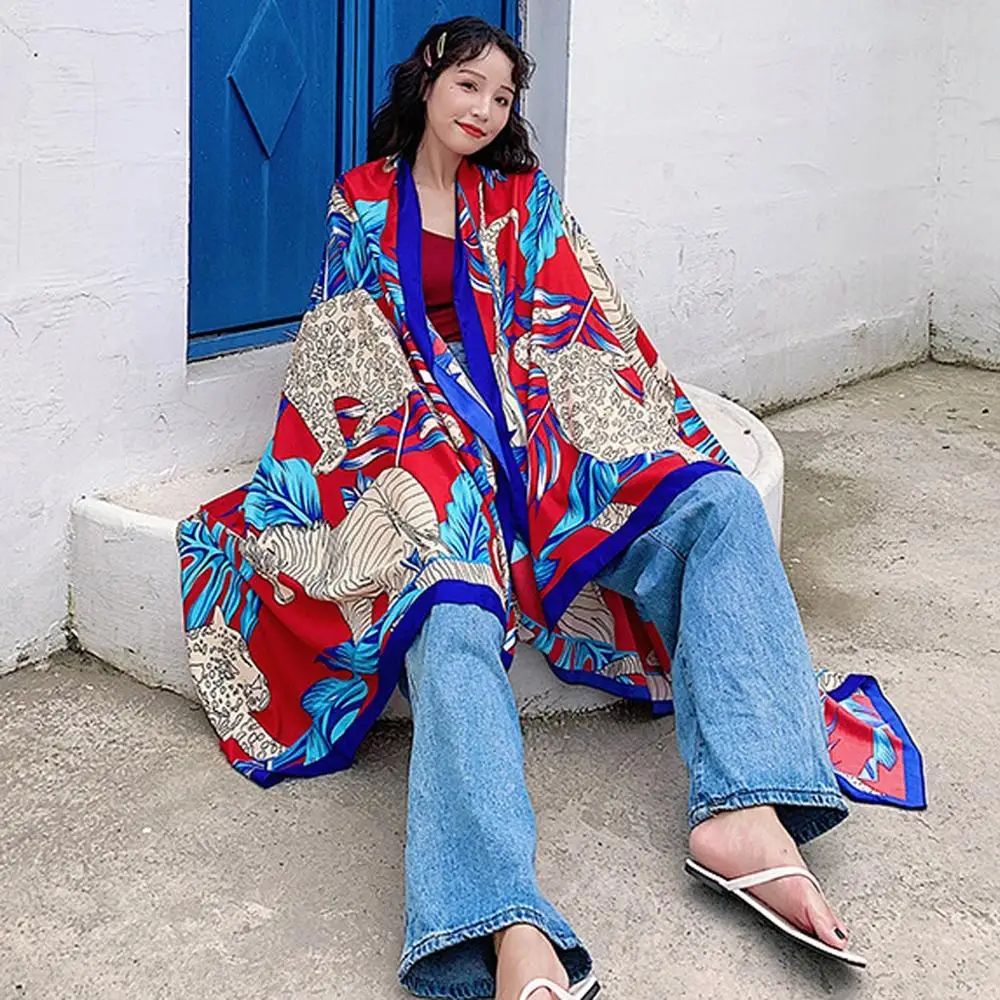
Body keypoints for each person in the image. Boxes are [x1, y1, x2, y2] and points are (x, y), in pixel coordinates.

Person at [177, 17, 925, 1000]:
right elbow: (344, 356)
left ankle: (743, 811)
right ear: (427, 82)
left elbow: (581, 327)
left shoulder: (524, 200)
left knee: (715, 501)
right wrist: (442, 448)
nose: (485, 109)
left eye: (502, 96)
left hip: (543, 438)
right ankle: (499, 919)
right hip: (418, 446)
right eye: (469, 85)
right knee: (449, 608)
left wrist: (551, 438)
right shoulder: (361, 200)